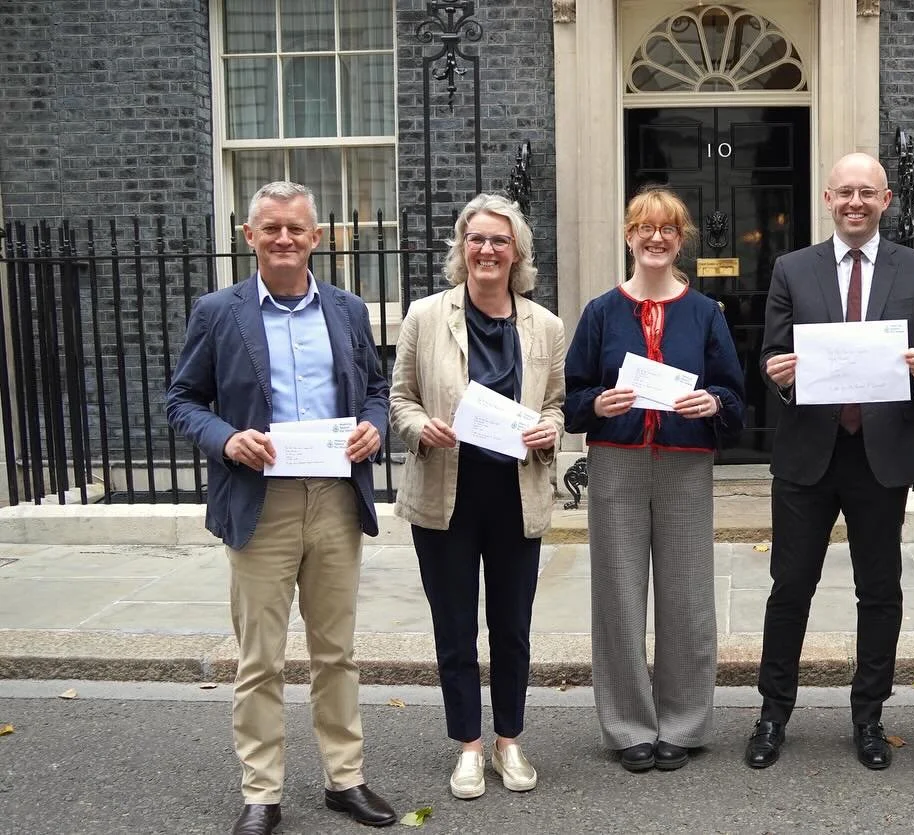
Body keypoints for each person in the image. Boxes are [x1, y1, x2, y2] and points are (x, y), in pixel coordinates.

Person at [166, 181, 395, 835]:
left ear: (317, 237)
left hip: (332, 497)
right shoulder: (218, 311)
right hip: (257, 500)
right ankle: (261, 791)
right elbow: (183, 399)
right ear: (250, 236)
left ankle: (343, 779)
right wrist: (227, 438)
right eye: (272, 229)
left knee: (336, 651)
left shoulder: (348, 310)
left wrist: (375, 427)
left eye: (297, 228)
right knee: (260, 657)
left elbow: (375, 389)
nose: (285, 239)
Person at [747, 153, 914, 771]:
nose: (856, 203)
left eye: (868, 193)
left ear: (886, 200)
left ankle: (869, 716)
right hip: (808, 452)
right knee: (790, 587)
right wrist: (778, 374)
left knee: (879, 590)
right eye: (845, 193)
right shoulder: (792, 268)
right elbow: (772, 355)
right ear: (828, 200)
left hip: (880, 455)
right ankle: (772, 712)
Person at [389, 193, 566, 799]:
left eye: (499, 241)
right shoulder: (425, 316)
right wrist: (419, 428)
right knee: (455, 625)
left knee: (512, 626)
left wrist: (550, 432)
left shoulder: (545, 325)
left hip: (515, 494)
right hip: (447, 492)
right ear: (461, 249)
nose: (487, 250)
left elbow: (555, 404)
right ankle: (468, 745)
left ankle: (509, 741)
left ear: (517, 253)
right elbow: (400, 399)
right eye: (477, 239)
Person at [563, 187, 745, 774]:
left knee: (688, 597)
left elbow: (735, 397)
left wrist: (712, 404)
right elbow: (572, 401)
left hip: (685, 462)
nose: (656, 238)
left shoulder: (706, 313)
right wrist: (601, 403)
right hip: (617, 462)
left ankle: (685, 722)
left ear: (681, 238)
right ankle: (627, 725)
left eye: (668, 229)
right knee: (617, 597)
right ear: (628, 236)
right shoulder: (600, 312)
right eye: (645, 227)